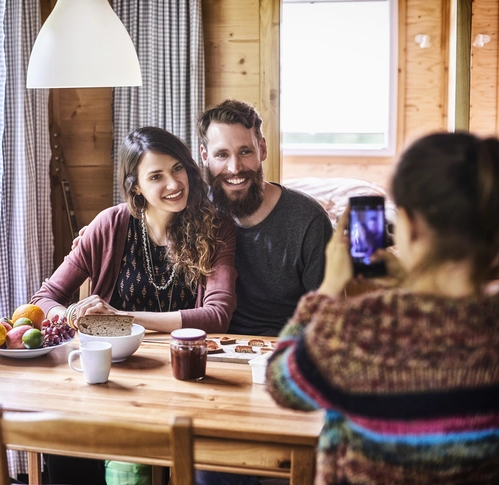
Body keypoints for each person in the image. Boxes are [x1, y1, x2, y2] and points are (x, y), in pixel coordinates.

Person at [266, 132, 499, 485]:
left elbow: (282, 382)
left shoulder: (360, 327)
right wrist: (409, 283)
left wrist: (327, 290)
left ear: (412, 225)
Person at [32, 126, 237, 485]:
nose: (174, 183)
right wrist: (73, 316)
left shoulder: (215, 226)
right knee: (61, 441)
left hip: (183, 375)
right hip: (114, 375)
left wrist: (121, 319)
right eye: (156, 176)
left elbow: (216, 316)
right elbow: (43, 299)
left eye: (177, 169)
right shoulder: (110, 225)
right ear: (136, 186)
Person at [196, 99, 333, 337]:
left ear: (262, 148)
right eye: (222, 155)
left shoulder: (308, 220)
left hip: (283, 349)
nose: (234, 167)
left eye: (245, 151)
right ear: (205, 156)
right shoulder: (197, 212)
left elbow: (327, 318)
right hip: (211, 343)